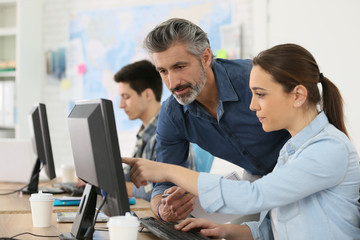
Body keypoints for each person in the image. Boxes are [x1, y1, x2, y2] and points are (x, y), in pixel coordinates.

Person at [124, 43, 360, 239]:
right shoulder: (289, 151)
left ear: (298, 96)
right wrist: (224, 230)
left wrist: (168, 171)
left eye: (260, 94)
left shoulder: (328, 149)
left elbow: (253, 195)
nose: (252, 105)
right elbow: (274, 227)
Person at [139, 18, 290, 222]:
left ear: (206, 57)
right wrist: (161, 209)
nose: (172, 82)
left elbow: (310, 134)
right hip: (255, 181)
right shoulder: (173, 114)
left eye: (180, 67)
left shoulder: (252, 79)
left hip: (296, 173)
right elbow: (163, 183)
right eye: (163, 71)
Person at [114, 59, 196, 201]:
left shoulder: (165, 134)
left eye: (126, 97)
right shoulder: (145, 133)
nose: (121, 105)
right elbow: (130, 175)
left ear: (147, 95)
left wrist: (112, 186)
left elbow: (163, 191)